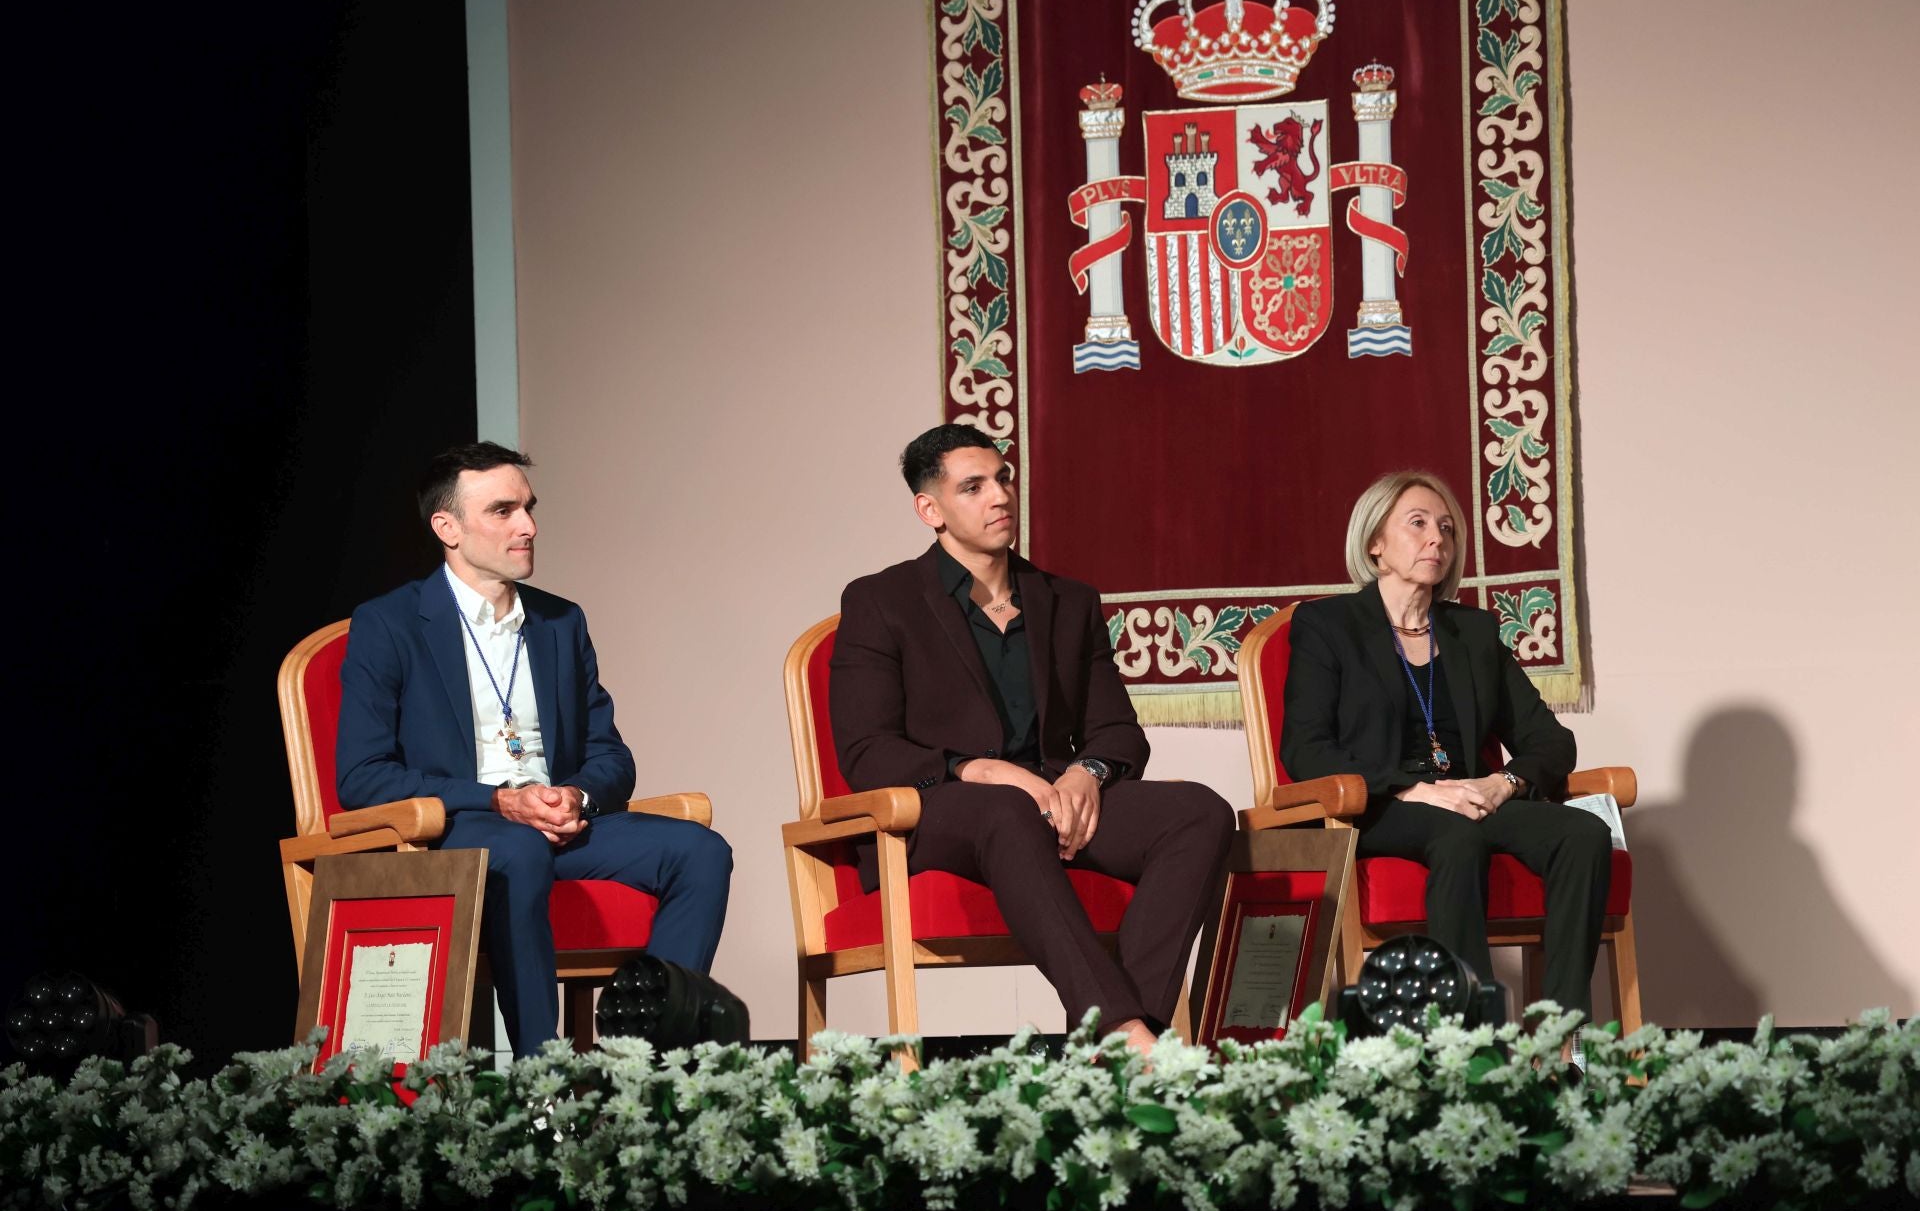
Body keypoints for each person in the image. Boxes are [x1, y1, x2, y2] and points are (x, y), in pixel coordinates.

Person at [829, 424, 1235, 1055]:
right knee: (1006, 807)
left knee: (1198, 811)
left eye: (1002, 478)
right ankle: (1120, 1027)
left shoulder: (1067, 601)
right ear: (929, 509)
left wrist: (1085, 775)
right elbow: (866, 752)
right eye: (973, 486)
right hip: (936, 811)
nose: (999, 496)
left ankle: (1129, 1042)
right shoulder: (881, 601)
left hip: (1050, 799)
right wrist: (983, 770)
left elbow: (1117, 731)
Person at [335, 442, 731, 1057]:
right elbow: (363, 778)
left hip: (556, 825)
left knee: (700, 852)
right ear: (448, 528)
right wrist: (499, 802)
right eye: (503, 511)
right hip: (457, 833)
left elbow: (611, 757)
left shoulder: (559, 621)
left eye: (529, 508)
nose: (529, 526)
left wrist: (574, 794)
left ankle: (649, 1066)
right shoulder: (389, 624)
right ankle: (540, 1076)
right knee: (518, 850)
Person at [1280, 470, 1612, 1027]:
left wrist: (1500, 782)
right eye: (1418, 524)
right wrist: (1415, 789)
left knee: (1583, 833)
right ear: (1375, 544)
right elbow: (1306, 750)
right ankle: (1471, 1045)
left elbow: (1550, 741)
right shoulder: (1328, 625)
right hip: (1381, 804)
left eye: (1447, 529)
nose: (1437, 538)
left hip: (1468, 798)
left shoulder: (1472, 633)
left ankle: (1563, 1039)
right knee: (1455, 835)